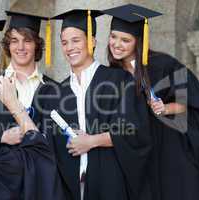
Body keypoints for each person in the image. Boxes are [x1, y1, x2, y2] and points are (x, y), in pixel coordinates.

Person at [50, 9, 152, 200]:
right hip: (72, 189)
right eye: (64, 42)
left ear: (92, 41)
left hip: (111, 184)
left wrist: (92, 141)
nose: (69, 47)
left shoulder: (119, 80)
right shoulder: (60, 91)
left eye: (76, 40)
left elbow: (136, 132)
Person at [103, 3, 199, 200]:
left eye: (125, 40)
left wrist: (164, 108)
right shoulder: (110, 75)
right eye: (113, 37)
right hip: (138, 153)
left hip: (170, 148)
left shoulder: (163, 64)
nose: (116, 44)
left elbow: (189, 100)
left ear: (138, 42)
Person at [0, 11, 59, 150]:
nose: (20, 47)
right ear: (8, 45)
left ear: (37, 45)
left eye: (27, 40)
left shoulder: (54, 89)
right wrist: (1, 138)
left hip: (39, 170)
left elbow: (57, 144)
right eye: (14, 41)